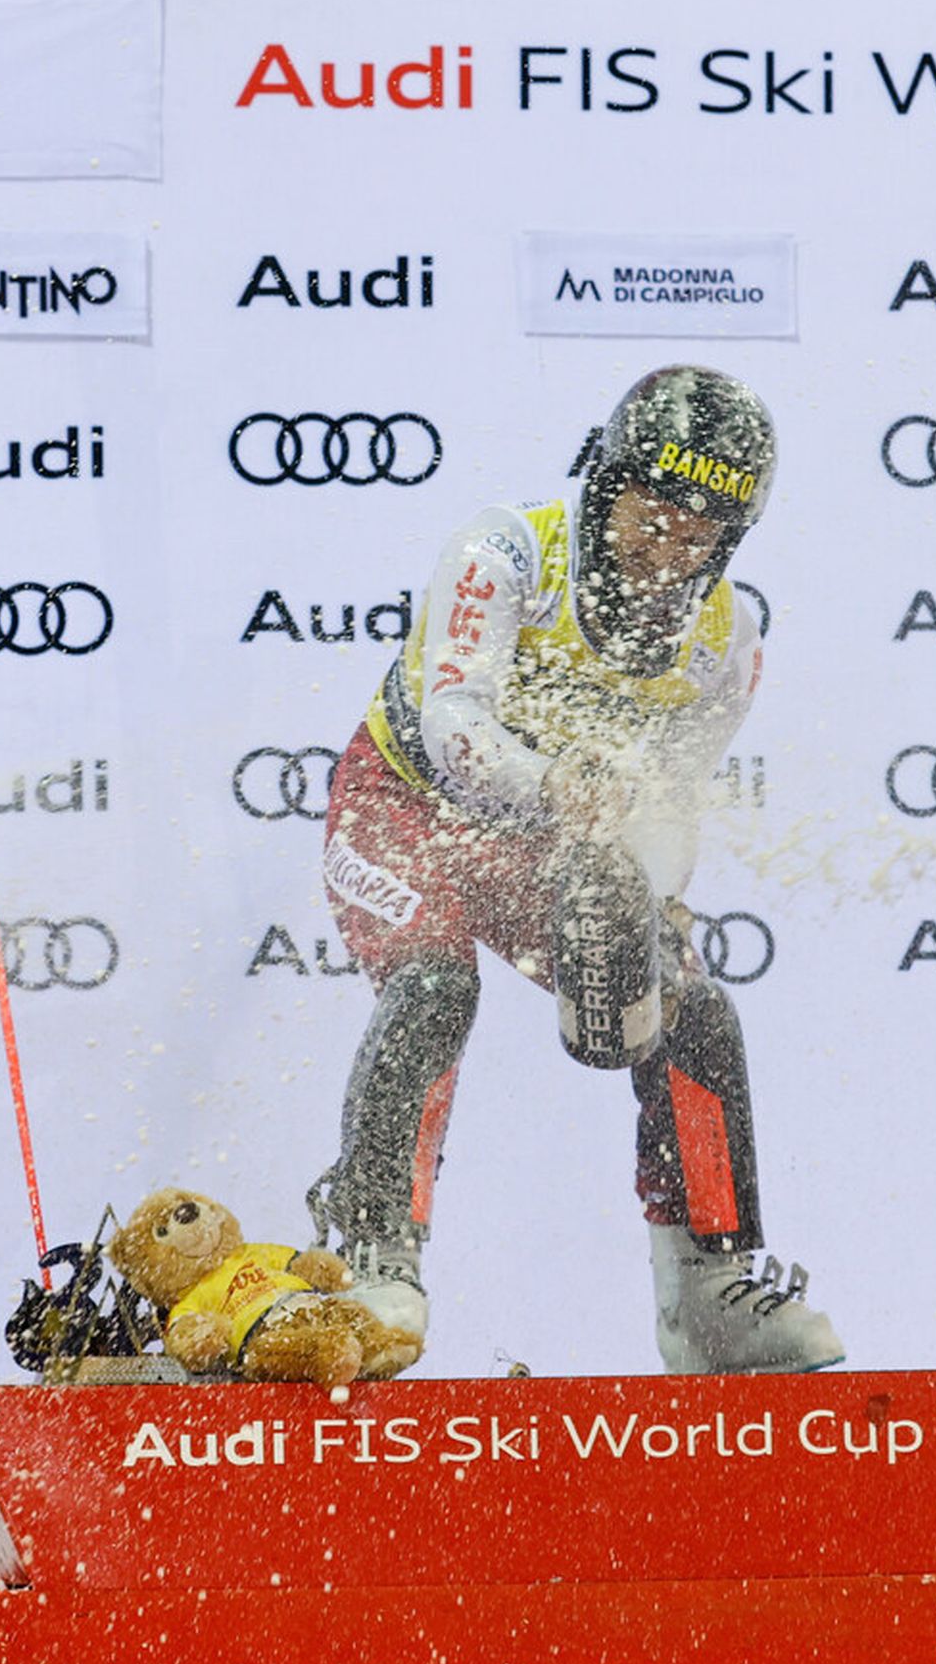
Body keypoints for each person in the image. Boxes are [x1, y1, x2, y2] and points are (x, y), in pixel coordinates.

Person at [303, 365, 843, 1374]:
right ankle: (377, 1258)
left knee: (692, 1009)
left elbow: (673, 804)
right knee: (429, 988)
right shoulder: (505, 552)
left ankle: (712, 1291)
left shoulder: (726, 641)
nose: (667, 547)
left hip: (547, 849)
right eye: (654, 510)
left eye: (700, 533)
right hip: (404, 810)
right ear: (605, 480)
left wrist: (651, 902)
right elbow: (451, 722)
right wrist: (559, 782)